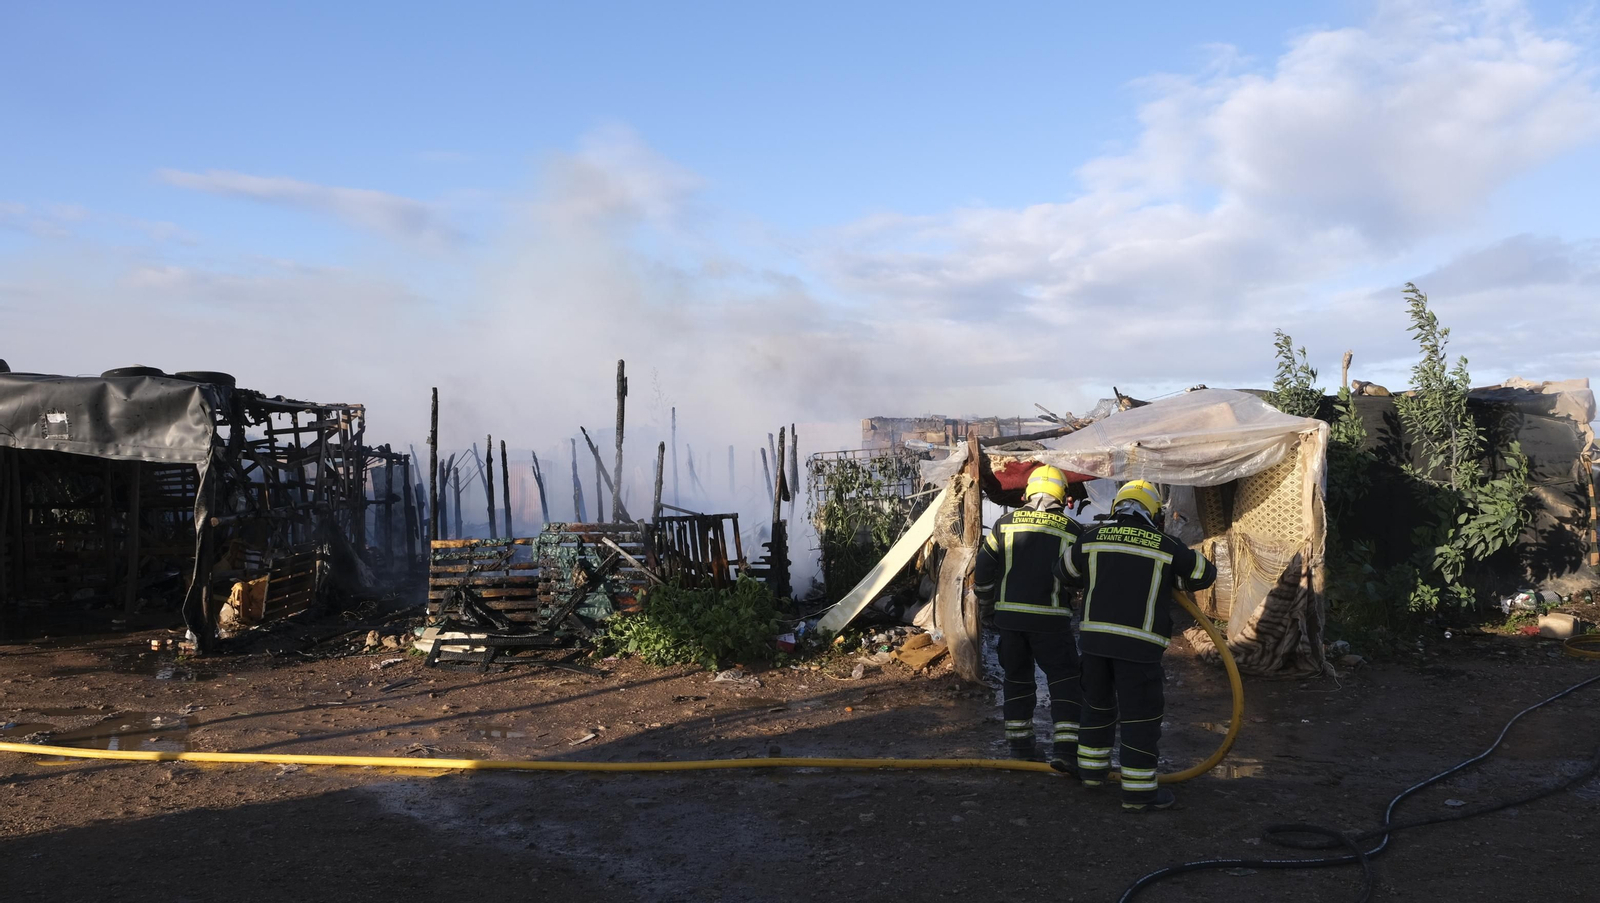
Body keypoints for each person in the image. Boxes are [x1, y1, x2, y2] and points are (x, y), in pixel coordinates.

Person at [1064, 479, 1215, 811]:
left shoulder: (1091, 539)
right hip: (1139, 649)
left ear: (1117, 507)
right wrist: (1172, 575)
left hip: (1094, 645)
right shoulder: (1165, 545)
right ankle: (1138, 793)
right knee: (1139, 718)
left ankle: (1090, 774)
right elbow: (1204, 574)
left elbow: (1063, 570)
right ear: (1153, 513)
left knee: (1096, 708)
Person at [973, 464, 1083, 769]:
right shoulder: (1072, 531)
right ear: (1062, 496)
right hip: (1051, 620)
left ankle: (1020, 748)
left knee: (1017, 681)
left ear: (1028, 493)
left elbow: (984, 566)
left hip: (1010, 621)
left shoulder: (1005, 524)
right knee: (1064, 681)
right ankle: (1065, 750)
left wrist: (986, 604)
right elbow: (1079, 574)